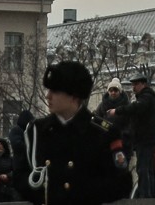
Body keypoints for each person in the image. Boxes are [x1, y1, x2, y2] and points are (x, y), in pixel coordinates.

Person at [14, 61, 131, 205]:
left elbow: (122, 183)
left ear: (74, 96)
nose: (48, 96)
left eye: (55, 91)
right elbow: (19, 177)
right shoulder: (36, 131)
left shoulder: (103, 133)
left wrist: (80, 192)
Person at [117, 75, 155, 199]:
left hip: (145, 139)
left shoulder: (146, 98)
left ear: (143, 84)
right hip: (146, 139)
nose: (133, 87)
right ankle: (150, 196)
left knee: (143, 169)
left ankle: (145, 197)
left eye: (136, 84)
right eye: (133, 84)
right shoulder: (147, 97)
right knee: (147, 169)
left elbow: (136, 107)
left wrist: (118, 110)